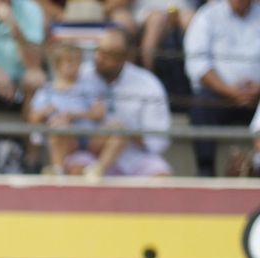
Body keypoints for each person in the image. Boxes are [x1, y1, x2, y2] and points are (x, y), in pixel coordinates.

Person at [67, 27, 171, 179]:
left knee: (161, 176)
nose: (99, 58)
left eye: (108, 54)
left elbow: (158, 140)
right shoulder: (82, 75)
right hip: (91, 152)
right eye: (99, 51)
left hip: (134, 156)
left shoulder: (148, 84)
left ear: (125, 57)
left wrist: (125, 133)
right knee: (76, 168)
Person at [184, 0, 260, 178]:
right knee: (201, 104)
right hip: (219, 95)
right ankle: (205, 169)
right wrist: (228, 90)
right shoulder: (208, 16)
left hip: (258, 97)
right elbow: (197, 63)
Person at [30, 40, 105, 174]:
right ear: (57, 65)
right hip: (64, 142)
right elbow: (33, 118)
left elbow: (99, 112)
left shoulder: (89, 86)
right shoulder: (47, 91)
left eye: (77, 61)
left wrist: (73, 116)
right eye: (69, 62)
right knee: (59, 127)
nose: (74, 66)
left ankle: (99, 168)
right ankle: (58, 170)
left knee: (117, 128)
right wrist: (45, 111)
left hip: (89, 139)